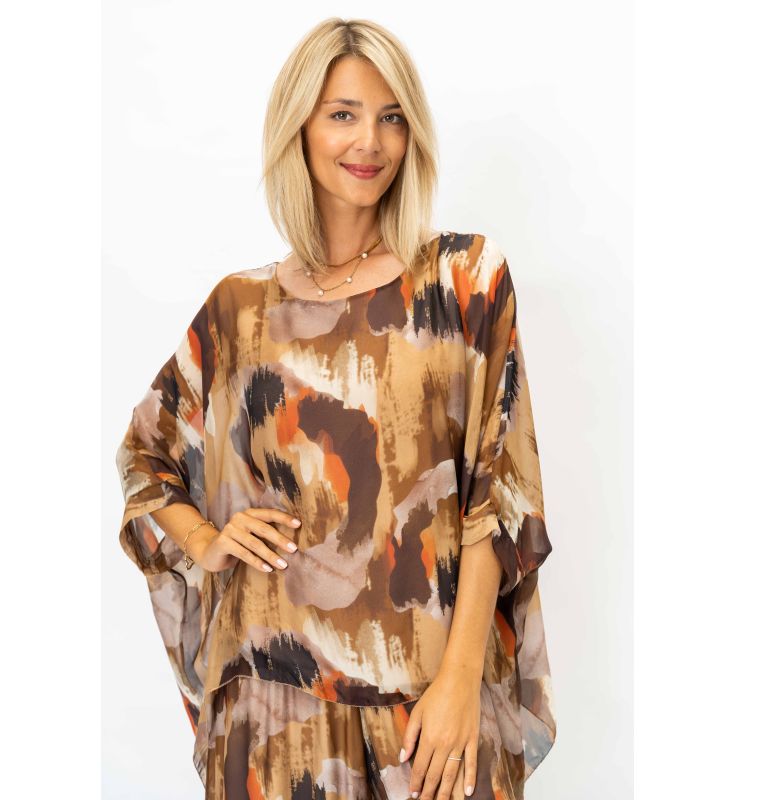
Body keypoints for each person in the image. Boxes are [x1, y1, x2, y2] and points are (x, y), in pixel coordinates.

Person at [115, 16, 555, 800]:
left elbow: (500, 493)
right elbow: (146, 456)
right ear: (299, 127)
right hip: (270, 712)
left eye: (392, 117)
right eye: (343, 114)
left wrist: (460, 681)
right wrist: (208, 541)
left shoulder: (464, 279)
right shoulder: (238, 310)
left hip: (427, 706)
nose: (370, 143)